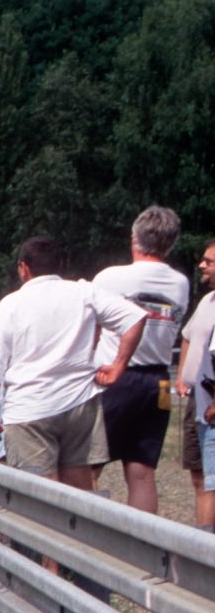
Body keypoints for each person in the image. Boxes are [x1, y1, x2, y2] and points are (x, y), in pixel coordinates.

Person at [0, 235, 148, 492]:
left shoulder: (10, 305)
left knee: (40, 496)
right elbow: (135, 318)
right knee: (78, 492)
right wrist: (118, 366)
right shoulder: (84, 292)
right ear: (61, 264)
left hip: (30, 408)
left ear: (23, 268)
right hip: (79, 404)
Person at [90, 206, 193, 515]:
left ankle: (87, 534)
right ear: (170, 243)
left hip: (115, 377)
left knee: (88, 465)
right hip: (158, 381)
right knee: (142, 471)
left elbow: (92, 329)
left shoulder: (110, 278)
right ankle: (142, 539)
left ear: (134, 237)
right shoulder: (180, 283)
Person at [176, 238, 215, 528]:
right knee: (199, 477)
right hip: (196, 401)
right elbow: (188, 338)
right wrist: (181, 376)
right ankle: (201, 539)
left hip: (211, 406)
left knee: (212, 482)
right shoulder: (207, 301)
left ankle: (204, 547)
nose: (202, 265)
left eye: (209, 262)